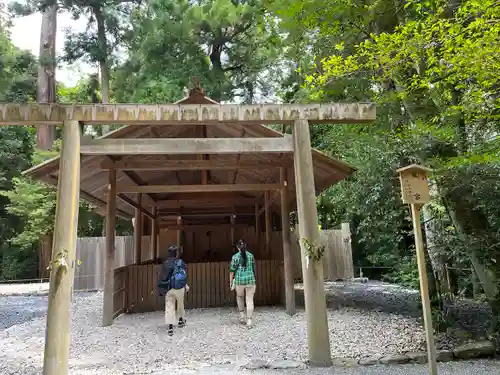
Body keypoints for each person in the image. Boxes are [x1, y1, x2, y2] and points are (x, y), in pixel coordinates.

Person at [157, 245, 189, 336]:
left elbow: (162, 277)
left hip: (169, 287)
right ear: (176, 254)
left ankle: (170, 326)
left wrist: (161, 288)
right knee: (180, 304)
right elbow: (183, 274)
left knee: (169, 306)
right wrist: (185, 285)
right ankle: (181, 320)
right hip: (179, 287)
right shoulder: (180, 262)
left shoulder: (165, 263)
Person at [229, 239, 256, 327]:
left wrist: (230, 282)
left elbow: (232, 270)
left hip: (239, 281)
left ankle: (242, 316)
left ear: (237, 247)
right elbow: (253, 269)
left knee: (240, 297)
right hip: (250, 280)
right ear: (245, 246)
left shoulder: (235, 257)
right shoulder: (251, 256)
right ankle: (249, 321)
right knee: (249, 300)